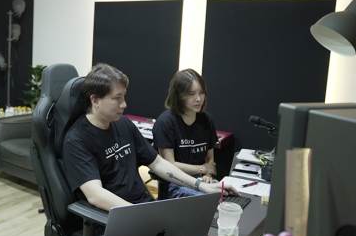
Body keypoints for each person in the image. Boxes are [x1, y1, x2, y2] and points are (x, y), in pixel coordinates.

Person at [62, 64, 234, 211]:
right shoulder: (76, 140)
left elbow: (158, 163)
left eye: (124, 97)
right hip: (115, 219)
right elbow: (95, 195)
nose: (124, 104)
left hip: (143, 207)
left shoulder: (123, 124)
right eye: (117, 98)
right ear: (95, 100)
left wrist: (201, 186)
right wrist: (140, 215)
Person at [153, 69, 218, 198]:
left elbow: (210, 159)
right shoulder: (165, 122)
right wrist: (202, 169)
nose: (198, 99)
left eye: (201, 93)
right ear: (179, 96)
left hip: (201, 180)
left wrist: (208, 175)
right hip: (174, 183)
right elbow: (170, 165)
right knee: (209, 200)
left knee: (224, 196)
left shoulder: (207, 120)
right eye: (191, 94)